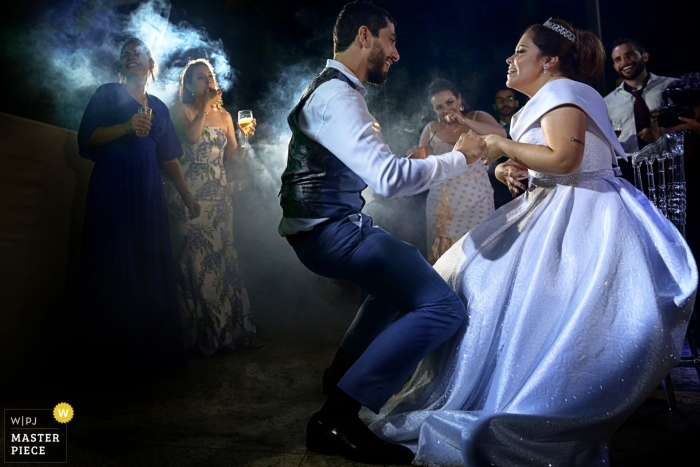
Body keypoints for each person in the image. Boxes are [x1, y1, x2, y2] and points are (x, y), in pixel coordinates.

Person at [367, 19, 697, 466]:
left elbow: (564, 158)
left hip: (584, 212)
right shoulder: (538, 103)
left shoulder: (565, 92)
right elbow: (536, 156)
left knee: (483, 281)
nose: (510, 59)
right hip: (550, 203)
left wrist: (501, 145)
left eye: (520, 51)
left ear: (550, 61)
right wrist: (506, 166)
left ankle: (530, 394)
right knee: (461, 272)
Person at [278, 1, 487, 464]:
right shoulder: (336, 95)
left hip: (331, 225)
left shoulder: (340, 91)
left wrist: (412, 164)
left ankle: (341, 377)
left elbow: (375, 173)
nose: (396, 53)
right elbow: (388, 180)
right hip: (329, 231)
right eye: (391, 40)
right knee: (443, 307)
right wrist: (463, 157)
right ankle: (337, 416)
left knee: (401, 273)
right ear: (365, 36)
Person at [77, 38, 200, 371]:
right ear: (121, 66)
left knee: (147, 261)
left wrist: (187, 194)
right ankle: (112, 357)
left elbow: (169, 157)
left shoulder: (158, 107)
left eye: (138, 54)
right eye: (125, 55)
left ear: (151, 64)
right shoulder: (107, 94)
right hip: (113, 187)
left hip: (147, 192)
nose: (132, 58)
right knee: (115, 262)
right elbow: (84, 138)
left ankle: (151, 355)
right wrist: (124, 127)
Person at [166, 58, 260, 355]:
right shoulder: (180, 110)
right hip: (188, 195)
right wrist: (205, 107)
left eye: (209, 77)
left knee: (221, 261)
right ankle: (198, 337)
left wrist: (245, 142)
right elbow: (192, 140)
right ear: (188, 85)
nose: (206, 82)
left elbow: (232, 159)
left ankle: (227, 333)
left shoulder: (226, 117)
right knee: (192, 262)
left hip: (219, 196)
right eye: (198, 78)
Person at [417, 78, 505, 263]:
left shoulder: (477, 117)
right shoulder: (431, 128)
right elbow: (424, 161)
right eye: (439, 107)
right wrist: (416, 156)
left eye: (450, 102)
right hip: (442, 202)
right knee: (445, 259)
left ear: (459, 100)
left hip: (476, 198)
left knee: (480, 254)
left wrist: (463, 120)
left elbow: (502, 135)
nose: (446, 110)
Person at [604, 38, 676, 181]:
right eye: (618, 59)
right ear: (614, 66)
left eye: (630, 55)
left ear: (645, 56)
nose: (624, 62)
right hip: (628, 171)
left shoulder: (671, 86)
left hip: (669, 164)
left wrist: (659, 134)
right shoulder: (607, 102)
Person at [490, 87, 524, 208]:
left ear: (516, 102)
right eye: (500, 100)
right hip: (499, 190)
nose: (505, 103)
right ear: (495, 106)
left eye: (509, 98)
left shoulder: (527, 127)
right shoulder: (489, 131)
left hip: (526, 184)